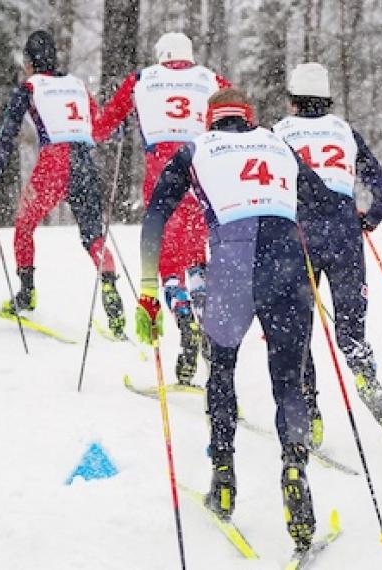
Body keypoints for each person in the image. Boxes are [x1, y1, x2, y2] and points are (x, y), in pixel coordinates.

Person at [135, 88, 338, 552]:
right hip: (287, 259)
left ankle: (222, 475)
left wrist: (149, 288)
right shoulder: (276, 143)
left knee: (221, 365)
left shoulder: (197, 147)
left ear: (212, 120)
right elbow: (324, 203)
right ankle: (294, 469)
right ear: (249, 119)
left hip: (232, 261)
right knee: (288, 378)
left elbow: (155, 218)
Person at [272, 62, 382, 448]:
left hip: (299, 234)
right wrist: (370, 219)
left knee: (299, 329)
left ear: (293, 100)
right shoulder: (346, 131)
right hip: (344, 233)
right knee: (350, 326)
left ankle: (310, 412)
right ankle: (363, 372)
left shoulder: (278, 133)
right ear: (327, 99)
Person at [96, 32, 230, 384]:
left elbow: (101, 127)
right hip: (203, 170)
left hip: (161, 173)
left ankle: (184, 320)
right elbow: (240, 112)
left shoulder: (141, 79)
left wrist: (121, 113)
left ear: (160, 56)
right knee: (197, 254)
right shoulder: (211, 79)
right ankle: (204, 321)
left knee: (168, 260)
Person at [0, 30, 126, 337]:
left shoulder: (29, 87)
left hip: (54, 163)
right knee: (92, 235)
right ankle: (112, 295)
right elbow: (97, 129)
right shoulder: (77, 85)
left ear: (30, 62)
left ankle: (26, 292)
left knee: (24, 224)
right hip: (84, 161)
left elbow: (7, 133)